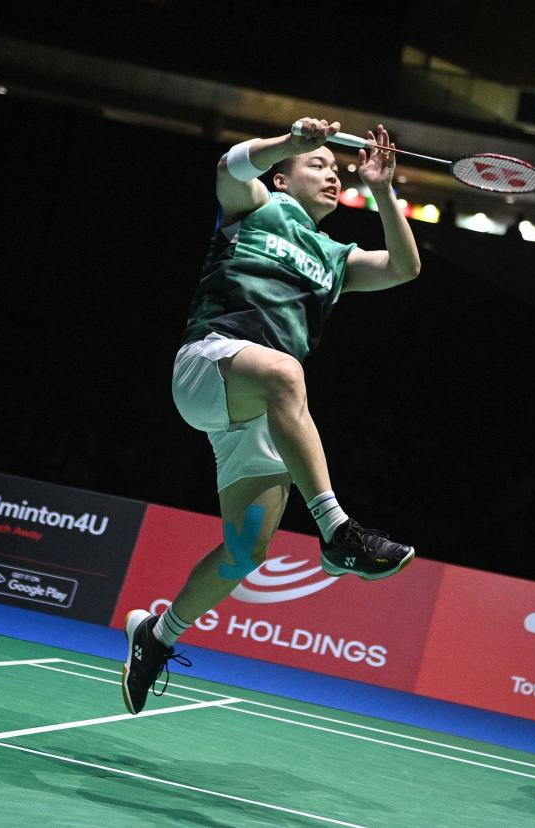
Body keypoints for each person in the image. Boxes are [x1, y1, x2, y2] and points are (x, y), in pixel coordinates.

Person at [121, 118, 421, 714]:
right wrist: (290, 141)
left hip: (257, 409)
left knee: (244, 551)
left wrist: (383, 189)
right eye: (320, 165)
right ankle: (339, 532)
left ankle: (156, 636)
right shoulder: (255, 206)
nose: (333, 174)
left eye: (338, 170)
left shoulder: (337, 258)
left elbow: (404, 268)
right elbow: (228, 168)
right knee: (288, 372)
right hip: (209, 364)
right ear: (282, 178)